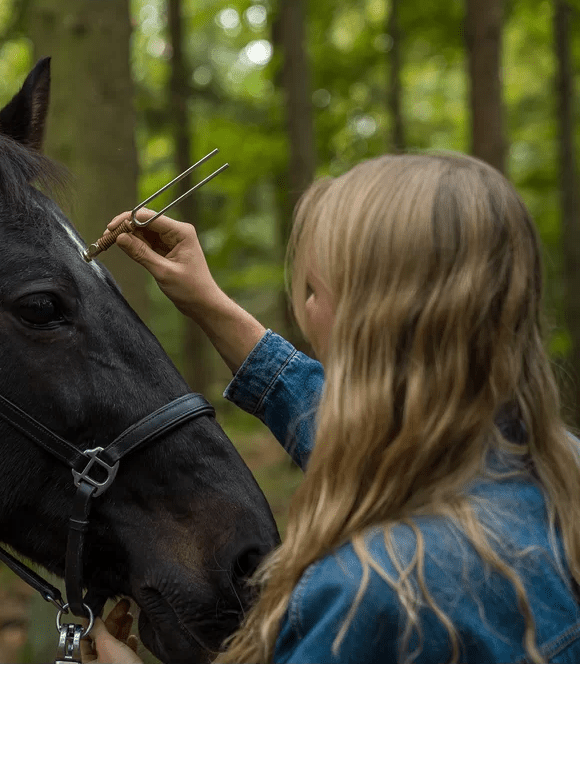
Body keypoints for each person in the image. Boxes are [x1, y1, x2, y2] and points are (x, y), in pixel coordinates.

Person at [84, 152, 580, 663]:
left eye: (314, 290)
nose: (306, 308)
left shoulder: (370, 597)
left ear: (370, 326)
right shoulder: (556, 470)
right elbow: (362, 429)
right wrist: (208, 302)